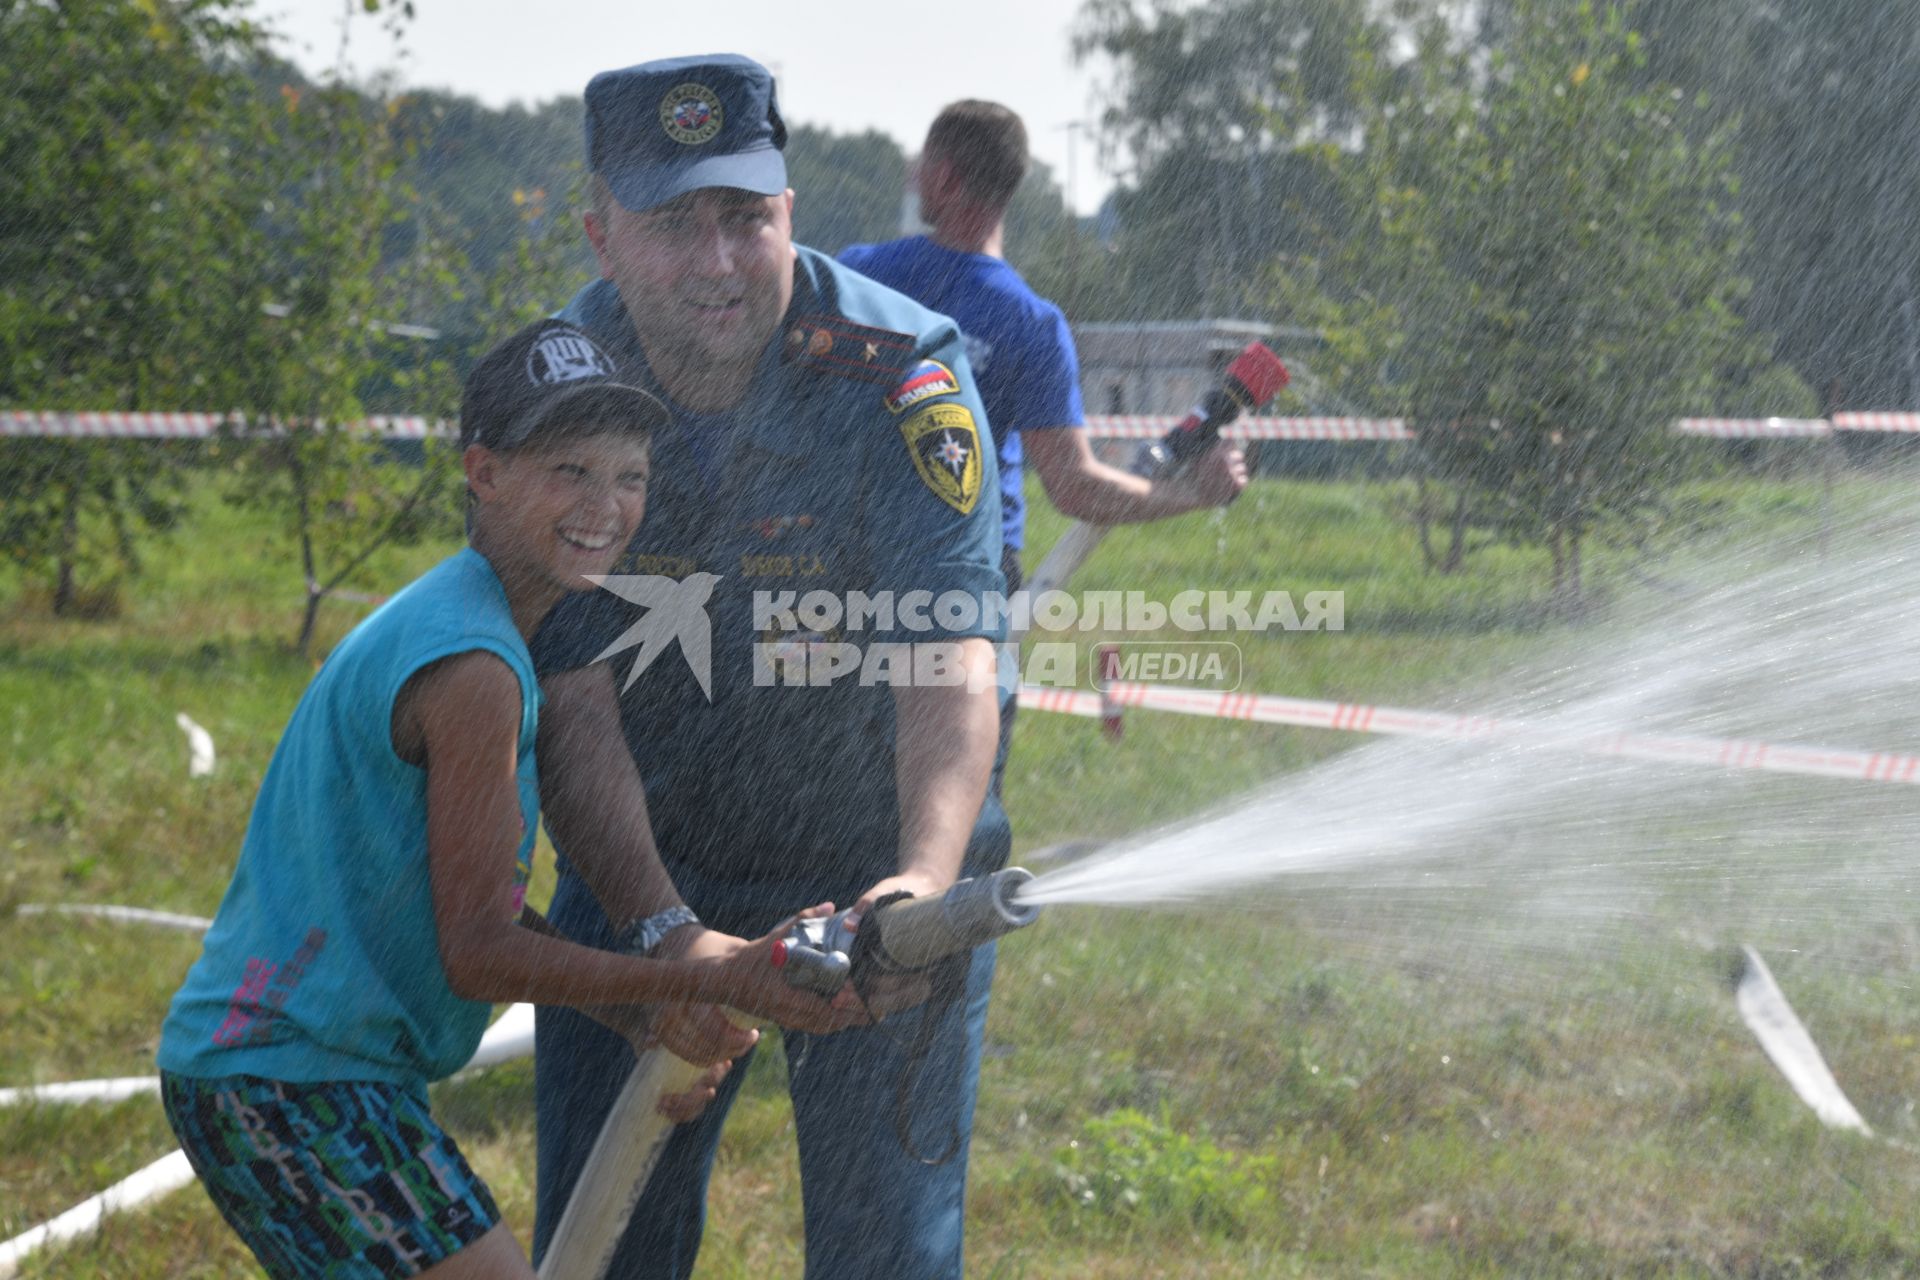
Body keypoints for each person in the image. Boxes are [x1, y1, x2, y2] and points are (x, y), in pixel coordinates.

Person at [155, 317, 841, 1279]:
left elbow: (448, 893)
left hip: (295, 1072)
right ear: (483, 473)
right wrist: (705, 977)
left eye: (630, 476)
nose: (606, 506)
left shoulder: (469, 619)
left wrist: (633, 1016)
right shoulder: (475, 666)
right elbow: (476, 951)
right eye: (570, 470)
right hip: (289, 1082)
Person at [528, 55, 1008, 1280]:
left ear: (791, 208)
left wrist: (917, 877)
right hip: (647, 861)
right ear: (602, 234)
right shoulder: (553, 396)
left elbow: (945, 663)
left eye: (746, 215)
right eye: (673, 222)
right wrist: (661, 933)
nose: (719, 259)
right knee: (606, 1243)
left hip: (876, 868)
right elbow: (573, 707)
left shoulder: (902, 373)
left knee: (885, 1253)